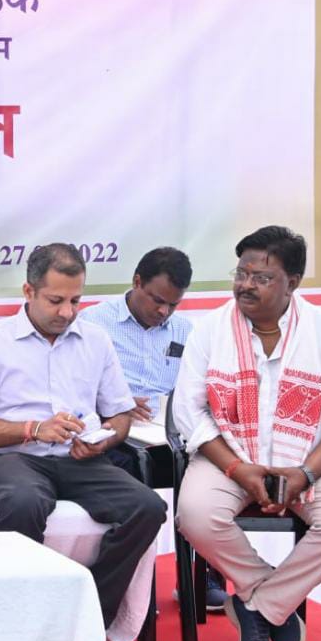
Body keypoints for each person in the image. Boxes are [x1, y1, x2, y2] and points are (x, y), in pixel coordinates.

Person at [173, 226, 321, 641]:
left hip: (307, 460)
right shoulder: (211, 330)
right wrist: (236, 469)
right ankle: (266, 593)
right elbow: (189, 411)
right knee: (196, 515)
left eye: (261, 277)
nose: (245, 285)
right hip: (228, 457)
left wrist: (308, 472)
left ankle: (258, 608)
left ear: (292, 283)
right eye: (241, 273)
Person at [0, 243, 167, 633]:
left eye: (75, 301)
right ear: (28, 291)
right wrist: (33, 429)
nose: (67, 312)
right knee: (23, 503)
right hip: (16, 458)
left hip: (82, 459)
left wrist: (105, 439)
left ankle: (87, 619)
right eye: (55, 301)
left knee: (148, 507)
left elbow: (120, 414)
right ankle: (17, 625)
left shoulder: (95, 340)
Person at [78, 246, 227, 611]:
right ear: (136, 282)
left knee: (214, 472)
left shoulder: (186, 331)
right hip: (117, 436)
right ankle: (135, 587)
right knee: (129, 477)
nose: (163, 312)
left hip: (170, 435)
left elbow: (200, 387)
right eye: (157, 301)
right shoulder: (93, 323)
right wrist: (114, 400)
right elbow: (74, 385)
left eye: (173, 305)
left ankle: (204, 575)